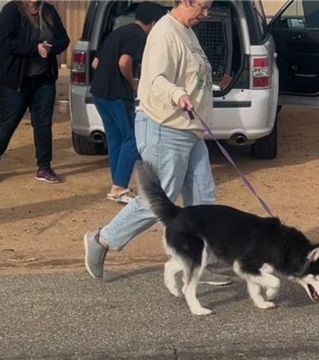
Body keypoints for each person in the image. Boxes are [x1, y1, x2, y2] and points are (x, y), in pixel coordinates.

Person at [84, 0, 230, 285]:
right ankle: (102, 240)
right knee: (158, 201)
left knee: (203, 197)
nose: (206, 13)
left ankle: (199, 260)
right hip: (165, 128)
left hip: (191, 130)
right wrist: (178, 95)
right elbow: (155, 80)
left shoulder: (187, 30)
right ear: (185, 1)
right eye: (202, 6)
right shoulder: (164, 32)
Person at [0, 0, 69, 184]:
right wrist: (34, 48)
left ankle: (44, 167)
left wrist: (51, 47)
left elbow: (64, 39)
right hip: (14, 80)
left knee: (43, 123)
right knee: (9, 121)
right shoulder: (12, 10)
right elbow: (6, 41)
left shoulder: (49, 11)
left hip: (43, 78)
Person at [90, 2, 168, 204]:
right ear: (154, 22)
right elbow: (124, 62)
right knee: (132, 139)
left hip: (99, 93)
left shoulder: (118, 32)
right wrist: (132, 83)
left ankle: (117, 183)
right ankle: (119, 187)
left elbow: (95, 63)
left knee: (116, 138)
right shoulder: (139, 36)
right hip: (117, 94)